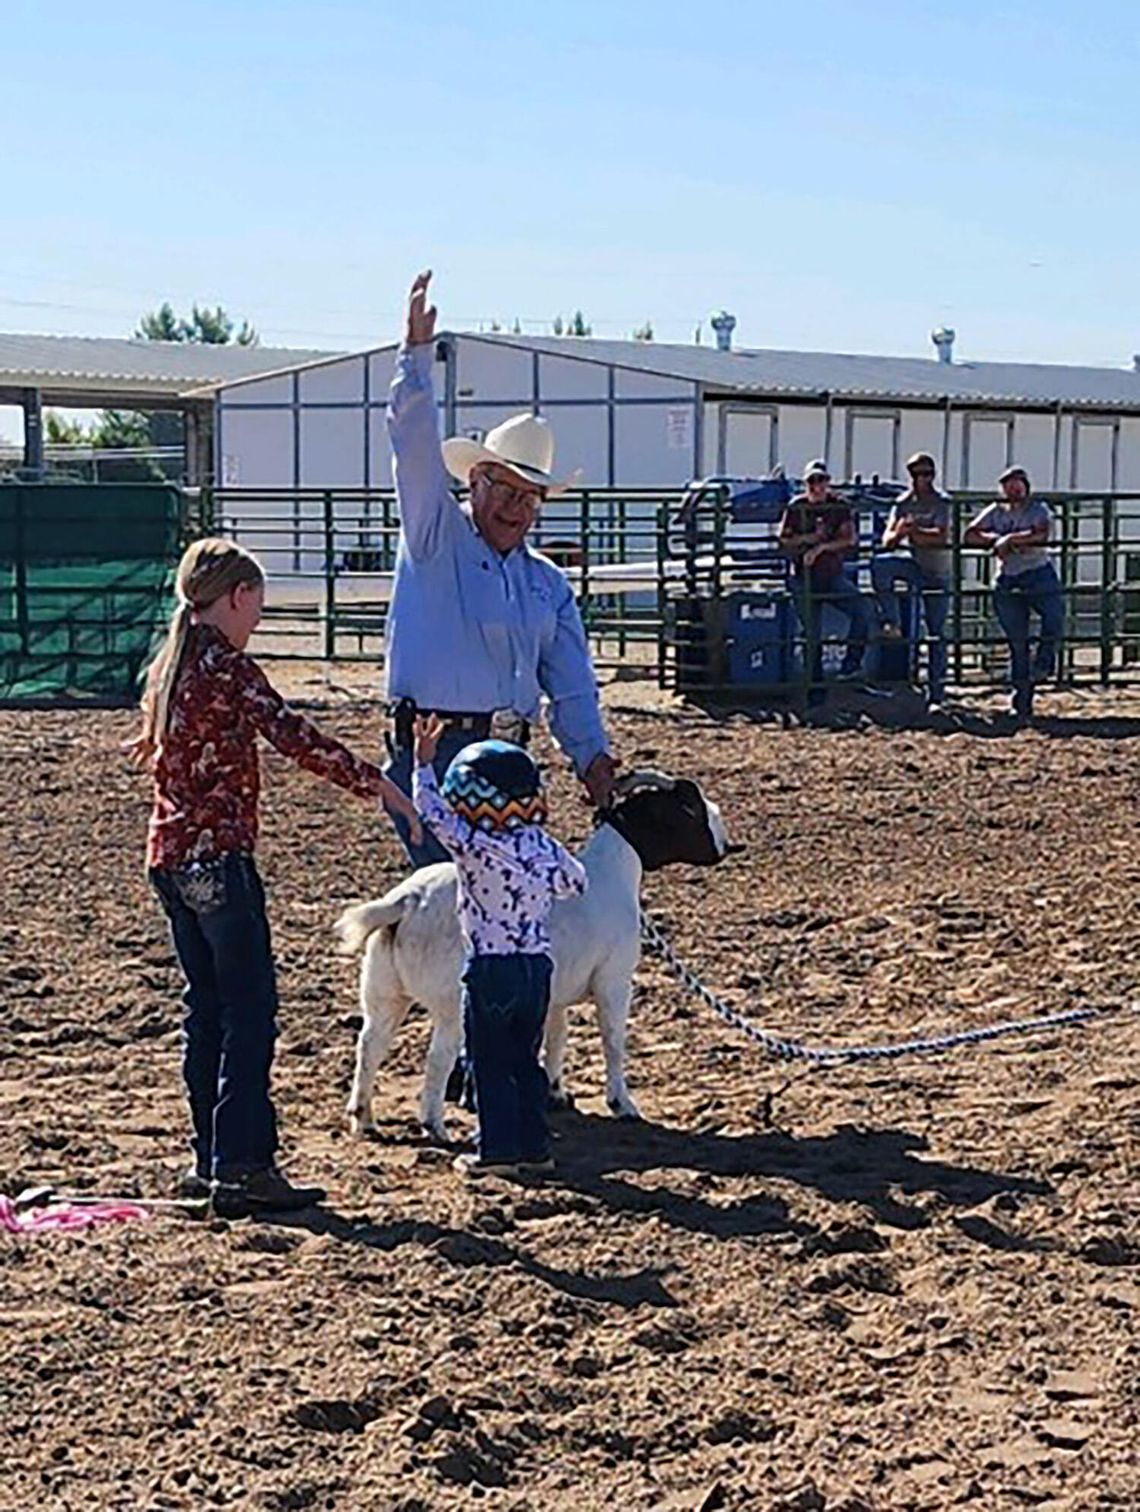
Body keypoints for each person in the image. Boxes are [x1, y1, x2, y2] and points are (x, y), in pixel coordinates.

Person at [127, 537, 421, 1216]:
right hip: (220, 859)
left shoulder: (172, 668)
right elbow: (291, 733)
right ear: (236, 597)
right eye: (255, 603)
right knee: (250, 1010)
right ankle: (245, 1164)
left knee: (206, 1008)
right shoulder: (228, 668)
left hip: (170, 858)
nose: (257, 617)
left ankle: (212, 1156)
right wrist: (376, 784)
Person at [383, 270, 619, 869]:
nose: (518, 507)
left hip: (510, 753)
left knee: (499, 911)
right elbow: (412, 449)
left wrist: (593, 758)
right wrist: (414, 358)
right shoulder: (436, 537)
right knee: (460, 900)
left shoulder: (547, 584)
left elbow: (570, 684)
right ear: (476, 481)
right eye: (507, 490)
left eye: (530, 497)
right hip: (438, 748)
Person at [412, 714, 587, 1179]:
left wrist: (422, 764)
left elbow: (431, 813)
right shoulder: (541, 843)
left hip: (491, 967)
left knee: (488, 1061)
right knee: (524, 1060)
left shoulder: (472, 843)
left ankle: (497, 1150)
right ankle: (533, 1145)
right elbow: (575, 883)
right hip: (537, 968)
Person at [964, 465, 1063, 723]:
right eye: (1008, 485)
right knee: (1017, 642)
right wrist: (996, 539)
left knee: (1054, 617)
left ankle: (1043, 663)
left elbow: (1041, 532)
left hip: (1037, 572)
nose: (1013, 489)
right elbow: (970, 533)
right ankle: (1022, 701)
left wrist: (1009, 540)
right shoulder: (996, 510)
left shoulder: (1038, 509)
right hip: (1009, 576)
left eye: (1017, 484)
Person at [778, 459, 870, 701]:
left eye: (821, 481)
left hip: (830, 575)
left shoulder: (839, 505)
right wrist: (810, 539)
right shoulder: (796, 507)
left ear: (828, 483)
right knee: (812, 633)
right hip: (802, 576)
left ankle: (850, 666)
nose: (817, 486)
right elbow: (785, 539)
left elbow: (850, 539)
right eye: (812, 481)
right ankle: (815, 687)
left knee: (863, 610)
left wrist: (821, 548)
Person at [870, 451, 953, 709]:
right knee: (880, 565)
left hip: (938, 572)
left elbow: (941, 536)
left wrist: (912, 531)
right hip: (918, 566)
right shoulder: (903, 502)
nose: (923, 479)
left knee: (936, 632)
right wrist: (899, 533)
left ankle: (937, 691)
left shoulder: (942, 502)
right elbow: (887, 540)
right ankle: (892, 621)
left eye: (927, 474)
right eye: (918, 474)